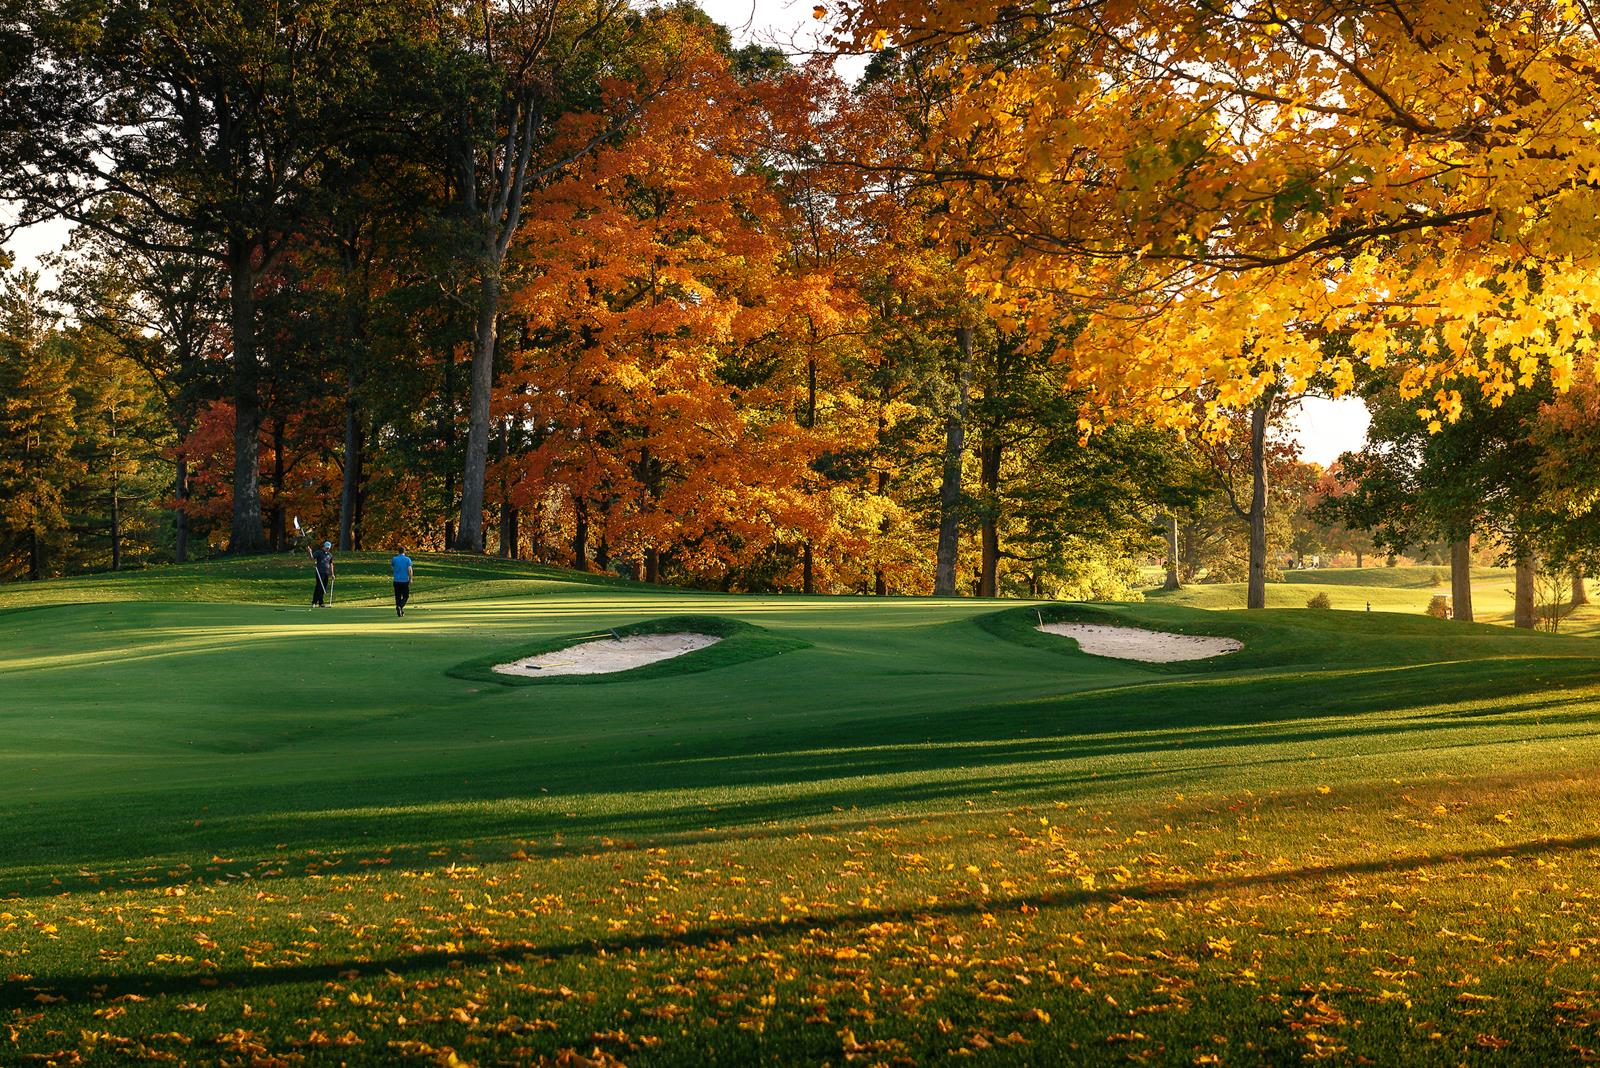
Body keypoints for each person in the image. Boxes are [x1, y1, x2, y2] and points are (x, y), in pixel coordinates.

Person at [391, 546, 414, 617]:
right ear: (405, 552)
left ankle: (399, 609)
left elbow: (392, 567)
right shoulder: (407, 559)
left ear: (398, 551)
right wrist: (410, 579)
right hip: (404, 581)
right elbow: (409, 570)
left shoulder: (394, 559)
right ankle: (400, 607)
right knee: (406, 596)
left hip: (396, 580)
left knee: (397, 596)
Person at [311, 540, 335, 607]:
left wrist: (332, 574)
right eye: (326, 548)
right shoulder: (319, 552)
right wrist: (309, 551)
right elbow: (312, 558)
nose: (327, 549)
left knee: (324, 587)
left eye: (328, 548)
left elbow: (331, 564)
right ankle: (314, 602)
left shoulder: (330, 555)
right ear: (323, 547)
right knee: (319, 586)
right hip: (319, 572)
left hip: (326, 573)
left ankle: (321, 603)